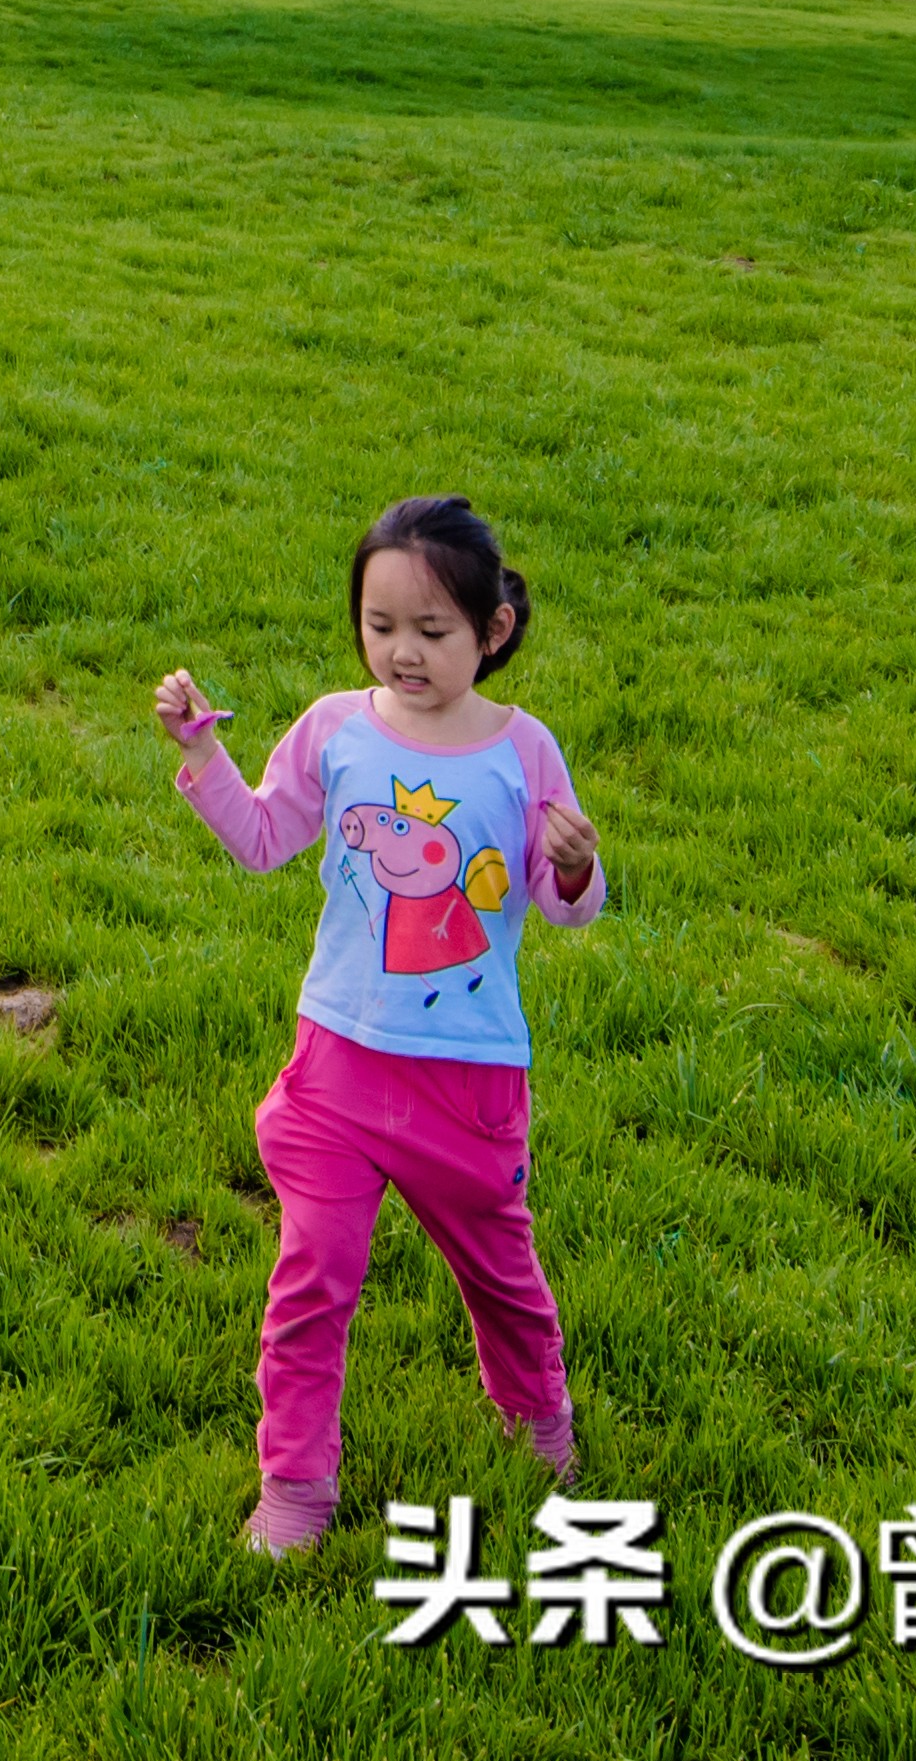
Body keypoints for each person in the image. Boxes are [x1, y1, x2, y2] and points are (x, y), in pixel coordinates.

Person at [151, 494, 607, 1544]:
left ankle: (539, 1423)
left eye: (433, 631)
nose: (404, 652)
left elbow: (556, 896)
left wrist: (576, 864)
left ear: (492, 630)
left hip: (469, 1080)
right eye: (381, 625)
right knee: (309, 1281)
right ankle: (295, 1488)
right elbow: (266, 838)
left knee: (501, 1271)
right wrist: (205, 755)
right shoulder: (333, 729)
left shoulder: (522, 749)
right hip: (337, 1066)